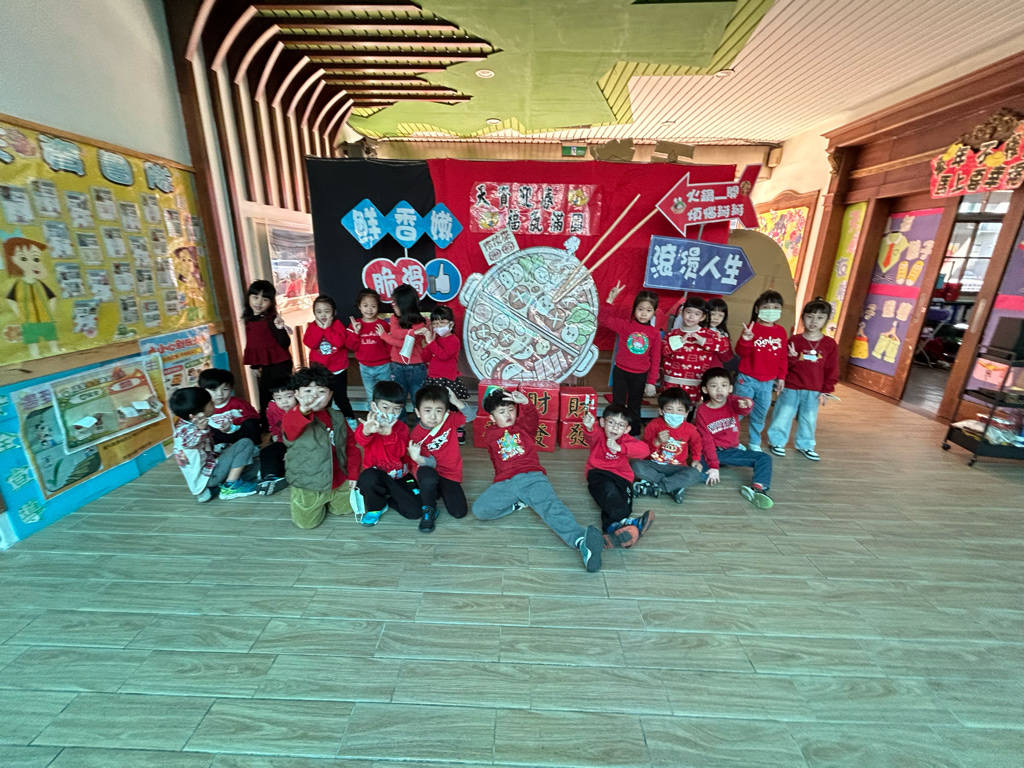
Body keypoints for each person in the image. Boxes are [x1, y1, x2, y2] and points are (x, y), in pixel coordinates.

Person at [472, 388, 604, 572]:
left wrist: (525, 402)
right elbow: (495, 459)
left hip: (531, 476)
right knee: (479, 510)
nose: (508, 414)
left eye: (511, 409)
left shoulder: (524, 428)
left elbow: (532, 417)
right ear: (492, 418)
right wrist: (498, 482)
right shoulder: (490, 435)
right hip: (506, 482)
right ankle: (518, 503)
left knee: (551, 508)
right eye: (502, 412)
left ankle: (581, 541)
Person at [281, 365, 362, 529]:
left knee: (345, 509)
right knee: (306, 524)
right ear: (297, 394)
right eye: (308, 391)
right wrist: (303, 410)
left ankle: (330, 499)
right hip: (309, 482)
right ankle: (313, 502)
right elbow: (290, 429)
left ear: (330, 395)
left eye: (321, 391)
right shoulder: (293, 416)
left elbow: (351, 446)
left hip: (338, 477)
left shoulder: (337, 416)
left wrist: (353, 475)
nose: (314, 396)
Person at [767, 297, 839, 461]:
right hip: (791, 387)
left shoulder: (829, 344)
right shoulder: (794, 340)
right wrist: (791, 358)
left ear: (826, 320)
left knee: (809, 419)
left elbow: (832, 369)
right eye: (809, 316)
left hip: (813, 389)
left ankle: (805, 445)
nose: (814, 321)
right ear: (802, 317)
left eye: (820, 317)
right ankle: (776, 442)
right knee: (783, 415)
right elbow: (783, 364)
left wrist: (827, 389)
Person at [694, 367, 774, 509]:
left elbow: (743, 408)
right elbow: (706, 441)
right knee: (700, 475)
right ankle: (676, 482)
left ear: (730, 388)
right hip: (709, 451)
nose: (719, 389)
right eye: (714, 386)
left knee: (764, 458)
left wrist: (747, 403)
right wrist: (713, 465)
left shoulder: (732, 401)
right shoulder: (702, 411)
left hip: (731, 451)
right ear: (705, 389)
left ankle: (757, 488)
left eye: (724, 385)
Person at [198, 367, 287, 491]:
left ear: (231, 388)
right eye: (213, 390)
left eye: (225, 389)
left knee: (251, 423)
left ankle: (253, 448)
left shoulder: (238, 403)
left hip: (240, 436)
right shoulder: (203, 407)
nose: (220, 394)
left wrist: (233, 425)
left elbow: (253, 418)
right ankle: (221, 451)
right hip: (219, 439)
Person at [581, 404, 654, 549]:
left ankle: (614, 531)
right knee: (608, 493)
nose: (615, 428)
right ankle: (630, 526)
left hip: (622, 477)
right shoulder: (599, 434)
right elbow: (591, 435)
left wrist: (620, 448)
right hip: (598, 472)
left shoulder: (626, 440)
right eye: (611, 422)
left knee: (624, 503)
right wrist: (589, 426)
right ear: (602, 422)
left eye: (621, 425)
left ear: (627, 429)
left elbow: (644, 450)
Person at [170, 386, 258, 502]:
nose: (214, 404)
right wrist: (201, 430)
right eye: (210, 403)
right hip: (209, 476)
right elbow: (189, 442)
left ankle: (212, 489)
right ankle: (231, 486)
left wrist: (227, 429)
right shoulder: (186, 431)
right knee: (245, 443)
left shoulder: (186, 423)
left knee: (252, 465)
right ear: (196, 414)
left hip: (206, 475)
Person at [407, 385, 472, 532]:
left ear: (446, 412)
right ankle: (429, 508)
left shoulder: (449, 420)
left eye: (439, 410)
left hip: (449, 473)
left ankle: (435, 490)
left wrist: (456, 401)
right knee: (427, 476)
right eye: (427, 410)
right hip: (429, 471)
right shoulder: (416, 436)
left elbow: (470, 416)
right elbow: (432, 463)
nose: (433, 416)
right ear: (417, 412)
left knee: (459, 512)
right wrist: (418, 458)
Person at [354, 380, 420, 526]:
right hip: (376, 477)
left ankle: (390, 499)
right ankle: (376, 507)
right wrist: (366, 431)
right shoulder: (368, 426)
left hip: (399, 477)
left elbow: (400, 452)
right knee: (367, 478)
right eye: (385, 407)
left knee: (415, 512)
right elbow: (360, 441)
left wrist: (389, 435)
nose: (390, 413)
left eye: (397, 409)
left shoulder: (402, 428)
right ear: (374, 406)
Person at [600, 280, 661, 435]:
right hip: (621, 371)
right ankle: (614, 432)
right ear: (634, 309)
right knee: (618, 403)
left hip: (640, 375)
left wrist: (651, 382)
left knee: (635, 406)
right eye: (640, 309)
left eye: (648, 310)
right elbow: (603, 320)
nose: (643, 313)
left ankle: (633, 435)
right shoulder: (625, 325)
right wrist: (610, 300)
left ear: (654, 312)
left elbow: (655, 359)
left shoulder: (654, 333)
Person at [734, 290, 788, 451]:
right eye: (766, 307)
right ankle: (730, 439)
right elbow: (741, 353)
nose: (771, 310)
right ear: (757, 309)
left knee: (760, 414)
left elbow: (783, 357)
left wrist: (781, 377)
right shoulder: (751, 329)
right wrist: (746, 339)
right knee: (739, 410)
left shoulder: (781, 332)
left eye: (776, 307)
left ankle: (754, 442)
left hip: (767, 382)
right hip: (746, 379)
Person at [631, 387, 703, 504]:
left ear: (686, 413)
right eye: (669, 409)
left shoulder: (690, 429)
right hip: (654, 465)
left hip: (677, 468)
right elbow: (644, 450)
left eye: (679, 410)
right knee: (635, 466)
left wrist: (696, 459)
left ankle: (654, 486)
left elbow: (696, 444)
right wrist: (657, 442)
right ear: (661, 411)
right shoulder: (654, 425)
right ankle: (672, 486)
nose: (674, 413)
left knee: (695, 473)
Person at [241, 279, 293, 423]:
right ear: (249, 298)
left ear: (271, 302)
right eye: (255, 297)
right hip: (265, 364)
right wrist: (255, 366)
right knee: (265, 394)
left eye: (265, 299)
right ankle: (267, 424)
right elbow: (254, 345)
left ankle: (288, 421)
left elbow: (285, 343)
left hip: (281, 363)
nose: (259, 302)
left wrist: (280, 329)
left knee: (282, 393)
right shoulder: (249, 319)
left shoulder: (272, 319)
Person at [662, 296, 732, 402]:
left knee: (690, 409)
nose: (691, 316)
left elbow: (724, 345)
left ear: (703, 317)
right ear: (681, 312)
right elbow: (663, 352)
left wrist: (703, 341)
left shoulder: (709, 334)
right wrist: (679, 342)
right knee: (670, 407)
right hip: (671, 382)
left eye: (697, 314)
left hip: (696, 384)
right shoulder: (672, 334)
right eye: (688, 312)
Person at [303, 294, 357, 426]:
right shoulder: (312, 327)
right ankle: (325, 423)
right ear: (314, 313)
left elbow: (338, 342)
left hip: (338, 370)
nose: (323, 315)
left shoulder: (338, 325)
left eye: (327, 311)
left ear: (334, 312)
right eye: (319, 312)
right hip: (320, 372)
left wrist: (327, 329)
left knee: (340, 398)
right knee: (323, 399)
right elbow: (311, 343)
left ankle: (350, 419)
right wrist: (320, 329)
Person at [420, 304, 470, 444]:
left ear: (451, 324)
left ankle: (458, 429)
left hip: (448, 380)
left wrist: (431, 343)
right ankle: (439, 429)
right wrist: (428, 343)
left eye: (442, 322)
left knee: (452, 406)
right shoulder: (434, 339)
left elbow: (443, 355)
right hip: (433, 379)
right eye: (435, 323)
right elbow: (425, 357)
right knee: (436, 405)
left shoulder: (454, 340)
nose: (438, 326)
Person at [378, 284, 428, 411]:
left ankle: (421, 422)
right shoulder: (394, 318)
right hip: (397, 365)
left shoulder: (421, 322)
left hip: (417, 367)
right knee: (398, 401)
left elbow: (404, 343)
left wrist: (384, 336)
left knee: (418, 399)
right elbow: (395, 334)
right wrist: (412, 332)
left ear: (405, 304)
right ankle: (400, 423)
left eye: (395, 303)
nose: (392, 305)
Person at [348, 288, 391, 410]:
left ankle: (388, 417)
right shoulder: (355, 324)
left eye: (373, 306)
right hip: (365, 367)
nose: (369, 309)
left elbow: (389, 345)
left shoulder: (383, 325)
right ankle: (373, 418)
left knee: (386, 394)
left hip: (384, 366)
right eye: (365, 305)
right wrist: (356, 332)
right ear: (359, 306)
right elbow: (351, 346)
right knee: (370, 395)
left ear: (378, 307)